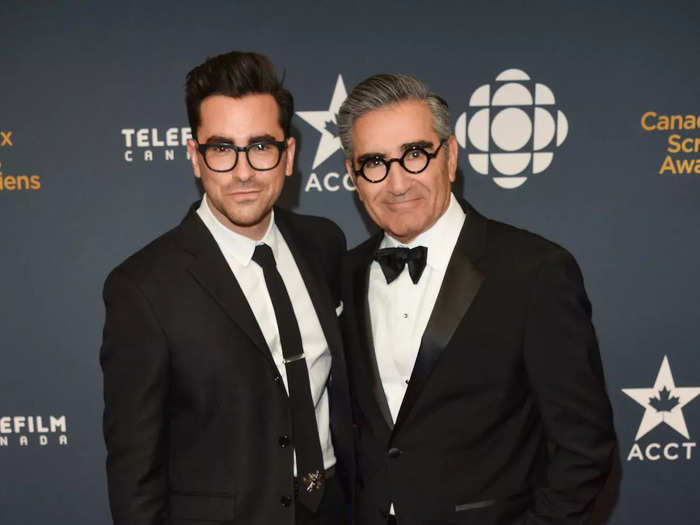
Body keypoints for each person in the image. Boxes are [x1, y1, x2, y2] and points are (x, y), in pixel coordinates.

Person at [337, 73, 616, 525]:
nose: (397, 182)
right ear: (354, 175)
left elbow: (584, 449)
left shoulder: (535, 270)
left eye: (414, 154)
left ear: (449, 157)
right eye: (374, 162)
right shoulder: (342, 275)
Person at [100, 51, 353, 525]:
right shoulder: (142, 288)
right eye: (222, 149)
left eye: (260, 146)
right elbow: (135, 473)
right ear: (196, 157)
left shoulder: (324, 244)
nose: (242, 172)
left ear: (289, 155)